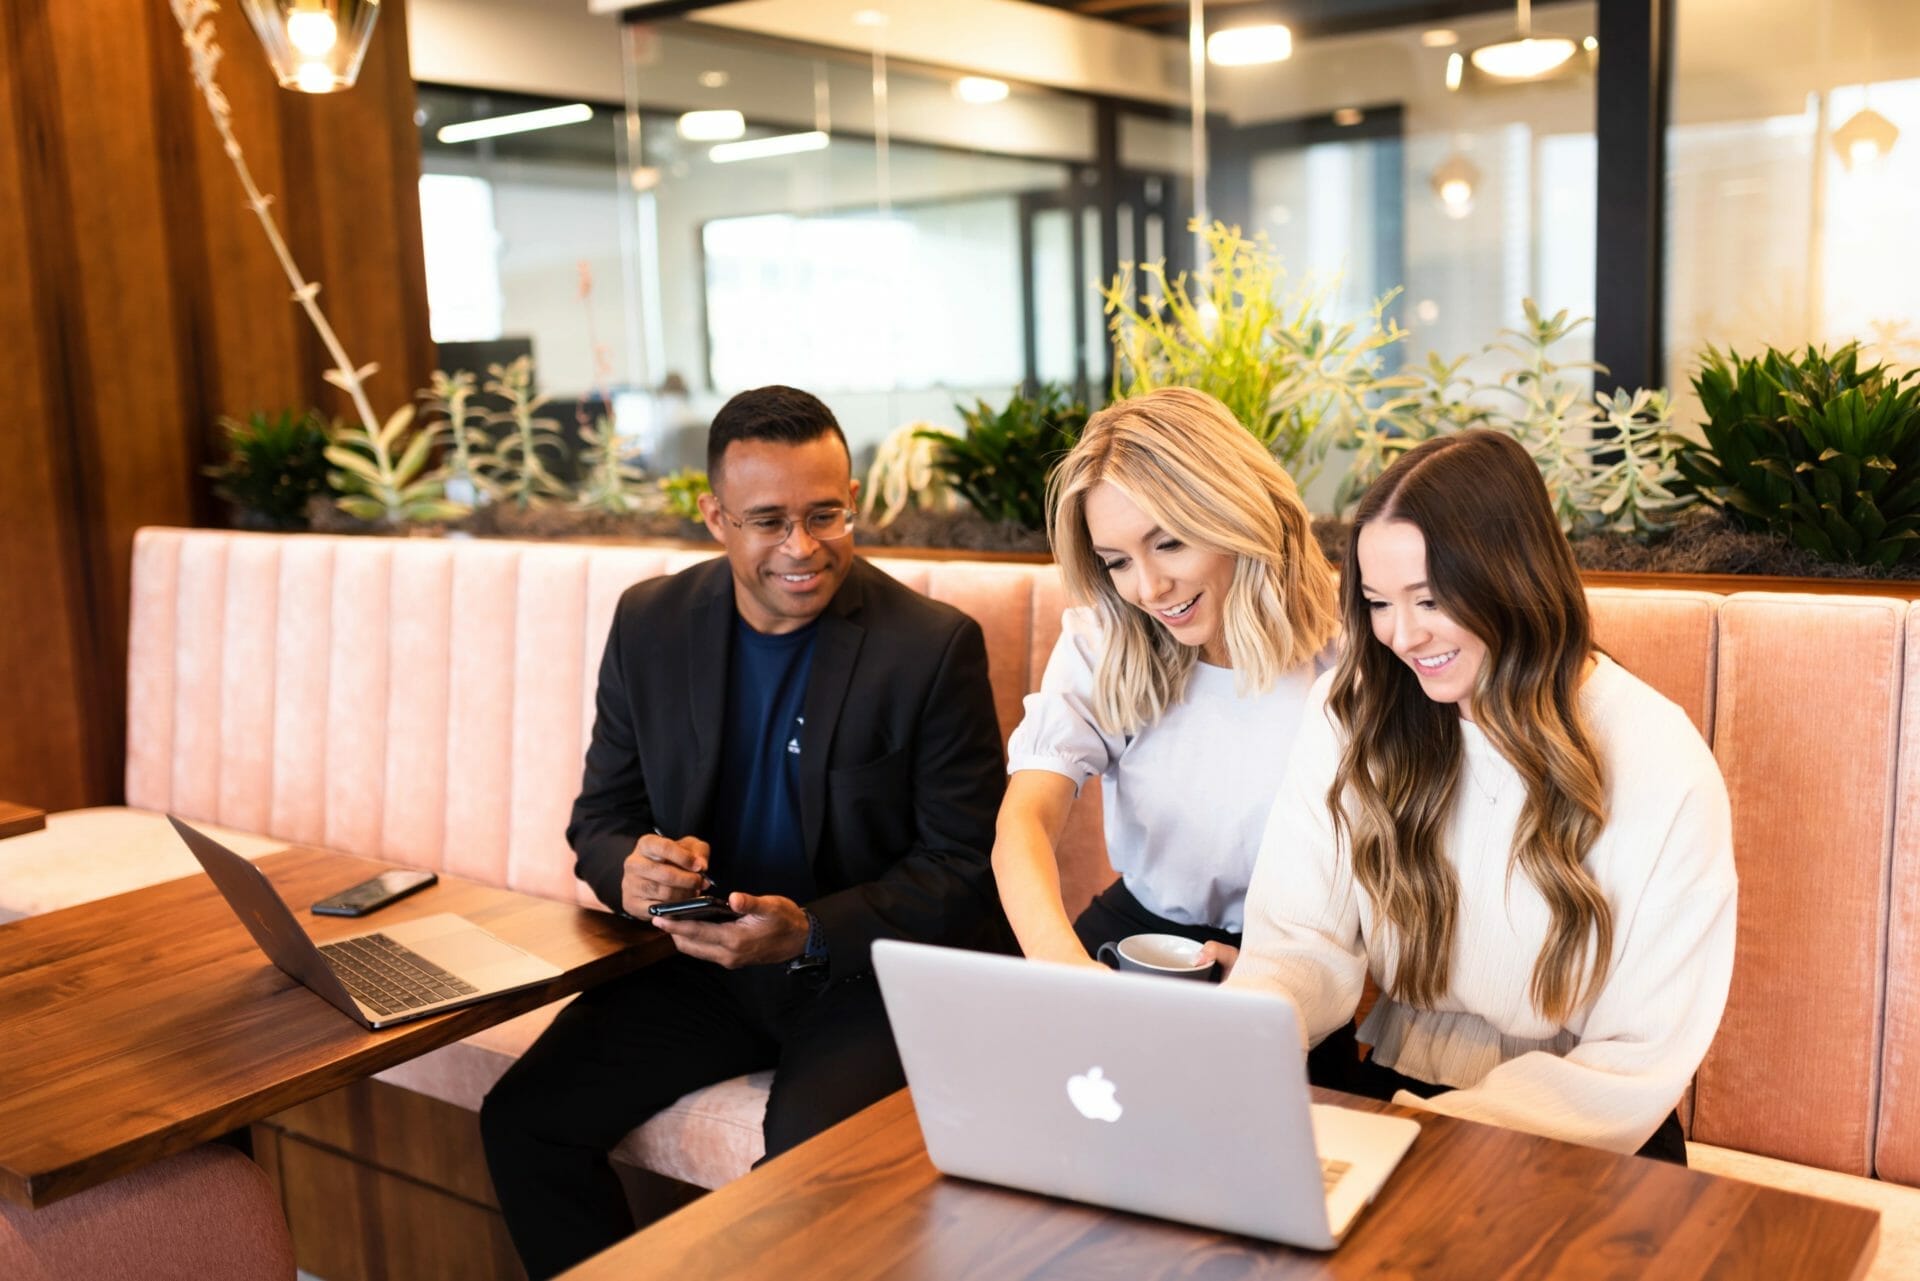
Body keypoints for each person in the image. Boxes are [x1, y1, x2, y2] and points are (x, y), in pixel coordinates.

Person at [480, 385, 1009, 1279]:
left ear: (854, 502)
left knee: (800, 1190)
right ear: (714, 516)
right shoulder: (649, 621)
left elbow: (964, 867)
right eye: (768, 520)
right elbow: (599, 821)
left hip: (861, 979)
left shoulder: (931, 645)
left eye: (825, 513)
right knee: (524, 1122)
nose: (802, 547)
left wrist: (808, 932)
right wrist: (634, 872)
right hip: (702, 969)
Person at [1228, 429, 1738, 1162]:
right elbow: (1300, 942)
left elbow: (1638, 1057)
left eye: (1430, 598)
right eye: (1377, 602)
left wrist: (1430, 1139)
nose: (1401, 635)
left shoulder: (1658, 756)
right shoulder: (1355, 707)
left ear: (1512, 578)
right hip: (1391, 1095)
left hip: (1587, 1139)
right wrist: (1237, 1036)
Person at [992, 386, 1339, 973]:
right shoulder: (1104, 640)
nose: (1149, 590)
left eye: (1170, 543)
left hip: (1295, 961)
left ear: (1237, 514)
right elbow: (1025, 820)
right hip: (1134, 938)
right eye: (1118, 561)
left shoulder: (1347, 652)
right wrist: (1060, 965)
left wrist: (1286, 971)